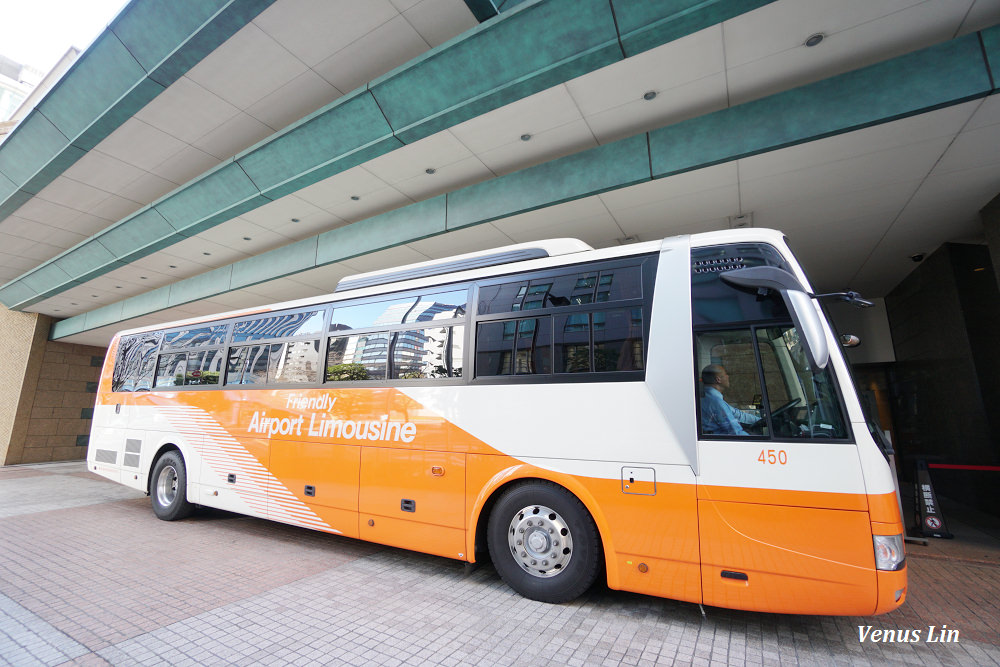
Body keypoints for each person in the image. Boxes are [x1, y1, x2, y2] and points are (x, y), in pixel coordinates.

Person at [700, 364, 759, 436]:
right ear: (718, 379)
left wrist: (760, 421)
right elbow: (736, 432)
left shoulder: (707, 397)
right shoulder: (716, 402)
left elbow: (737, 414)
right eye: (725, 374)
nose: (728, 376)